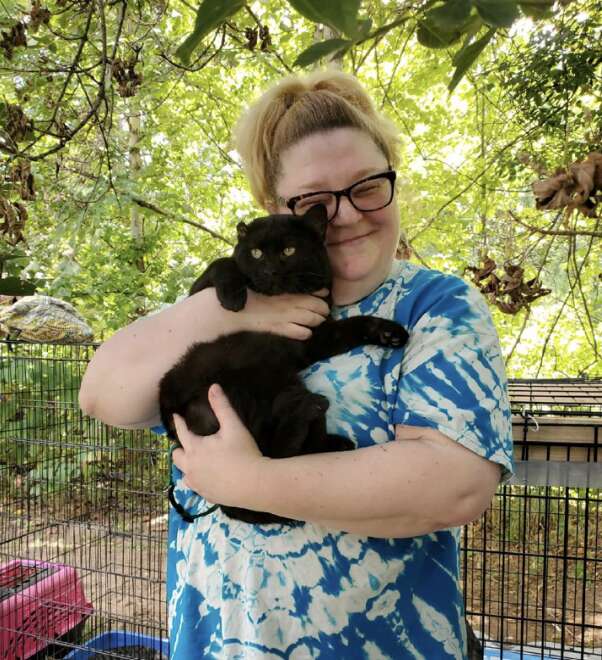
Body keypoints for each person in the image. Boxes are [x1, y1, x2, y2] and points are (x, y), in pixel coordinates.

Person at [79, 70, 514, 659]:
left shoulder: (437, 308)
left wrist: (247, 482)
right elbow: (103, 395)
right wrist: (225, 309)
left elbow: (453, 489)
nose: (346, 216)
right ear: (276, 209)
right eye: (316, 201)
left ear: (393, 182)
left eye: (367, 187)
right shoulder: (222, 311)